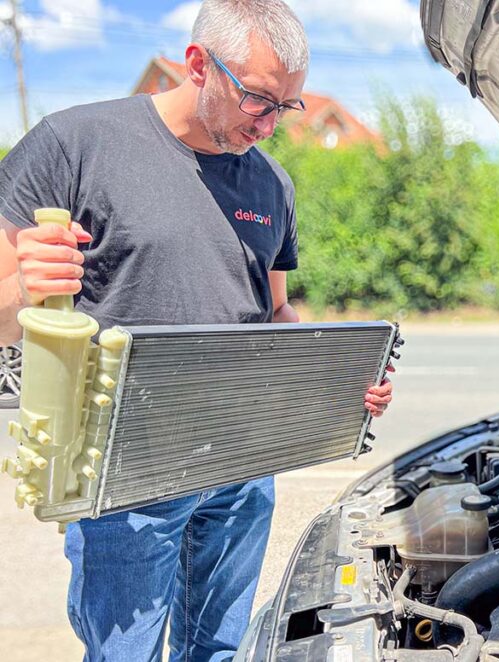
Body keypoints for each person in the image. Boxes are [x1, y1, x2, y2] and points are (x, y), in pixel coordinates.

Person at [0, 1, 393, 659]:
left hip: (242, 468)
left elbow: (276, 317)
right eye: (258, 101)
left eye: (287, 107)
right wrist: (23, 286)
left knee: (218, 651)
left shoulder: (272, 182)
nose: (269, 126)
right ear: (197, 65)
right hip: (125, 477)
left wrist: (338, 380)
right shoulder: (74, 144)